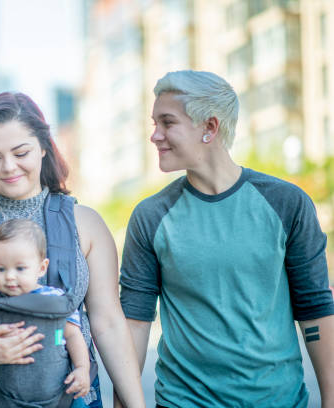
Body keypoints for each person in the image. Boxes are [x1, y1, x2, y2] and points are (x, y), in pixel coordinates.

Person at [0, 92, 145, 407]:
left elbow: (108, 323)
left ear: (44, 147)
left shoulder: (87, 224)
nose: (8, 167)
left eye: (21, 152)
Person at [120, 70, 334, 407]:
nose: (155, 136)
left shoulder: (286, 203)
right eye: (154, 123)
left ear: (209, 127)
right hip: (183, 401)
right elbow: (133, 323)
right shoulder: (150, 216)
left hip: (277, 400)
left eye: (167, 122)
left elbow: (316, 310)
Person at [0, 219, 91, 407]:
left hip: (61, 395)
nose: (10, 276)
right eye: (0, 269)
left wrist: (82, 369)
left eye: (20, 268)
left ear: (41, 268)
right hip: (4, 397)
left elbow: (73, 335)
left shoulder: (56, 300)